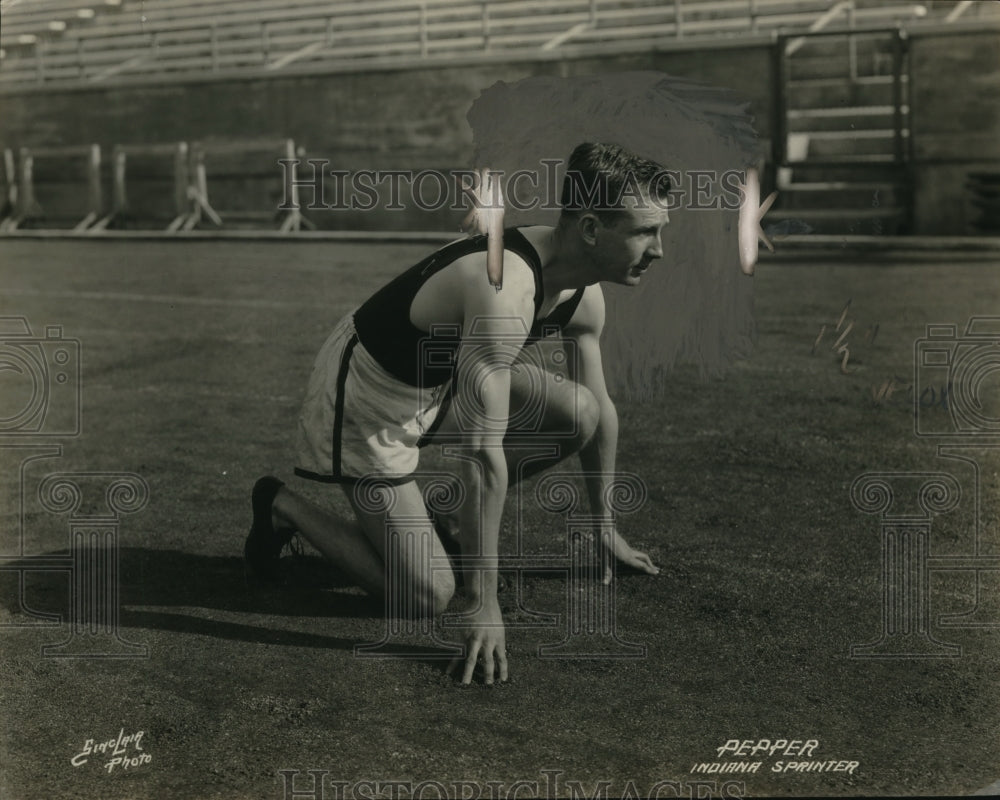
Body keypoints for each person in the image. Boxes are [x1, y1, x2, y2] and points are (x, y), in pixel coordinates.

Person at [246, 142, 668, 685]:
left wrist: (604, 526)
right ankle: (281, 507)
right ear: (590, 228)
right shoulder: (506, 290)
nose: (658, 249)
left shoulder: (583, 294)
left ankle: (444, 520)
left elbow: (601, 411)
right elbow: (481, 454)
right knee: (428, 594)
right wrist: (481, 601)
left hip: (439, 383)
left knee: (579, 412)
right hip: (371, 393)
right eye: (645, 231)